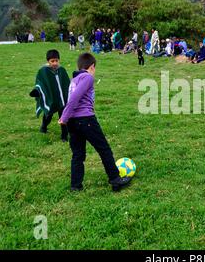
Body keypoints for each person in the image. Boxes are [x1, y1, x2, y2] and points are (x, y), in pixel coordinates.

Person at [59, 53, 132, 192]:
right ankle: (115, 179)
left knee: (78, 154)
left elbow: (70, 98)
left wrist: (66, 118)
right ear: (92, 67)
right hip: (85, 120)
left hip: (73, 123)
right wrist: (64, 117)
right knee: (104, 149)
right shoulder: (87, 77)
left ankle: (75, 186)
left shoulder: (74, 80)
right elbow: (74, 97)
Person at [29, 50, 70, 142]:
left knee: (64, 116)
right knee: (48, 115)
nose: (55, 63)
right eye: (52, 61)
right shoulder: (43, 71)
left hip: (62, 99)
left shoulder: (62, 70)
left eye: (56, 60)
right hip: (51, 98)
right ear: (48, 61)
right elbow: (40, 83)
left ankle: (64, 135)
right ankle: (44, 127)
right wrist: (36, 91)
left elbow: (67, 83)